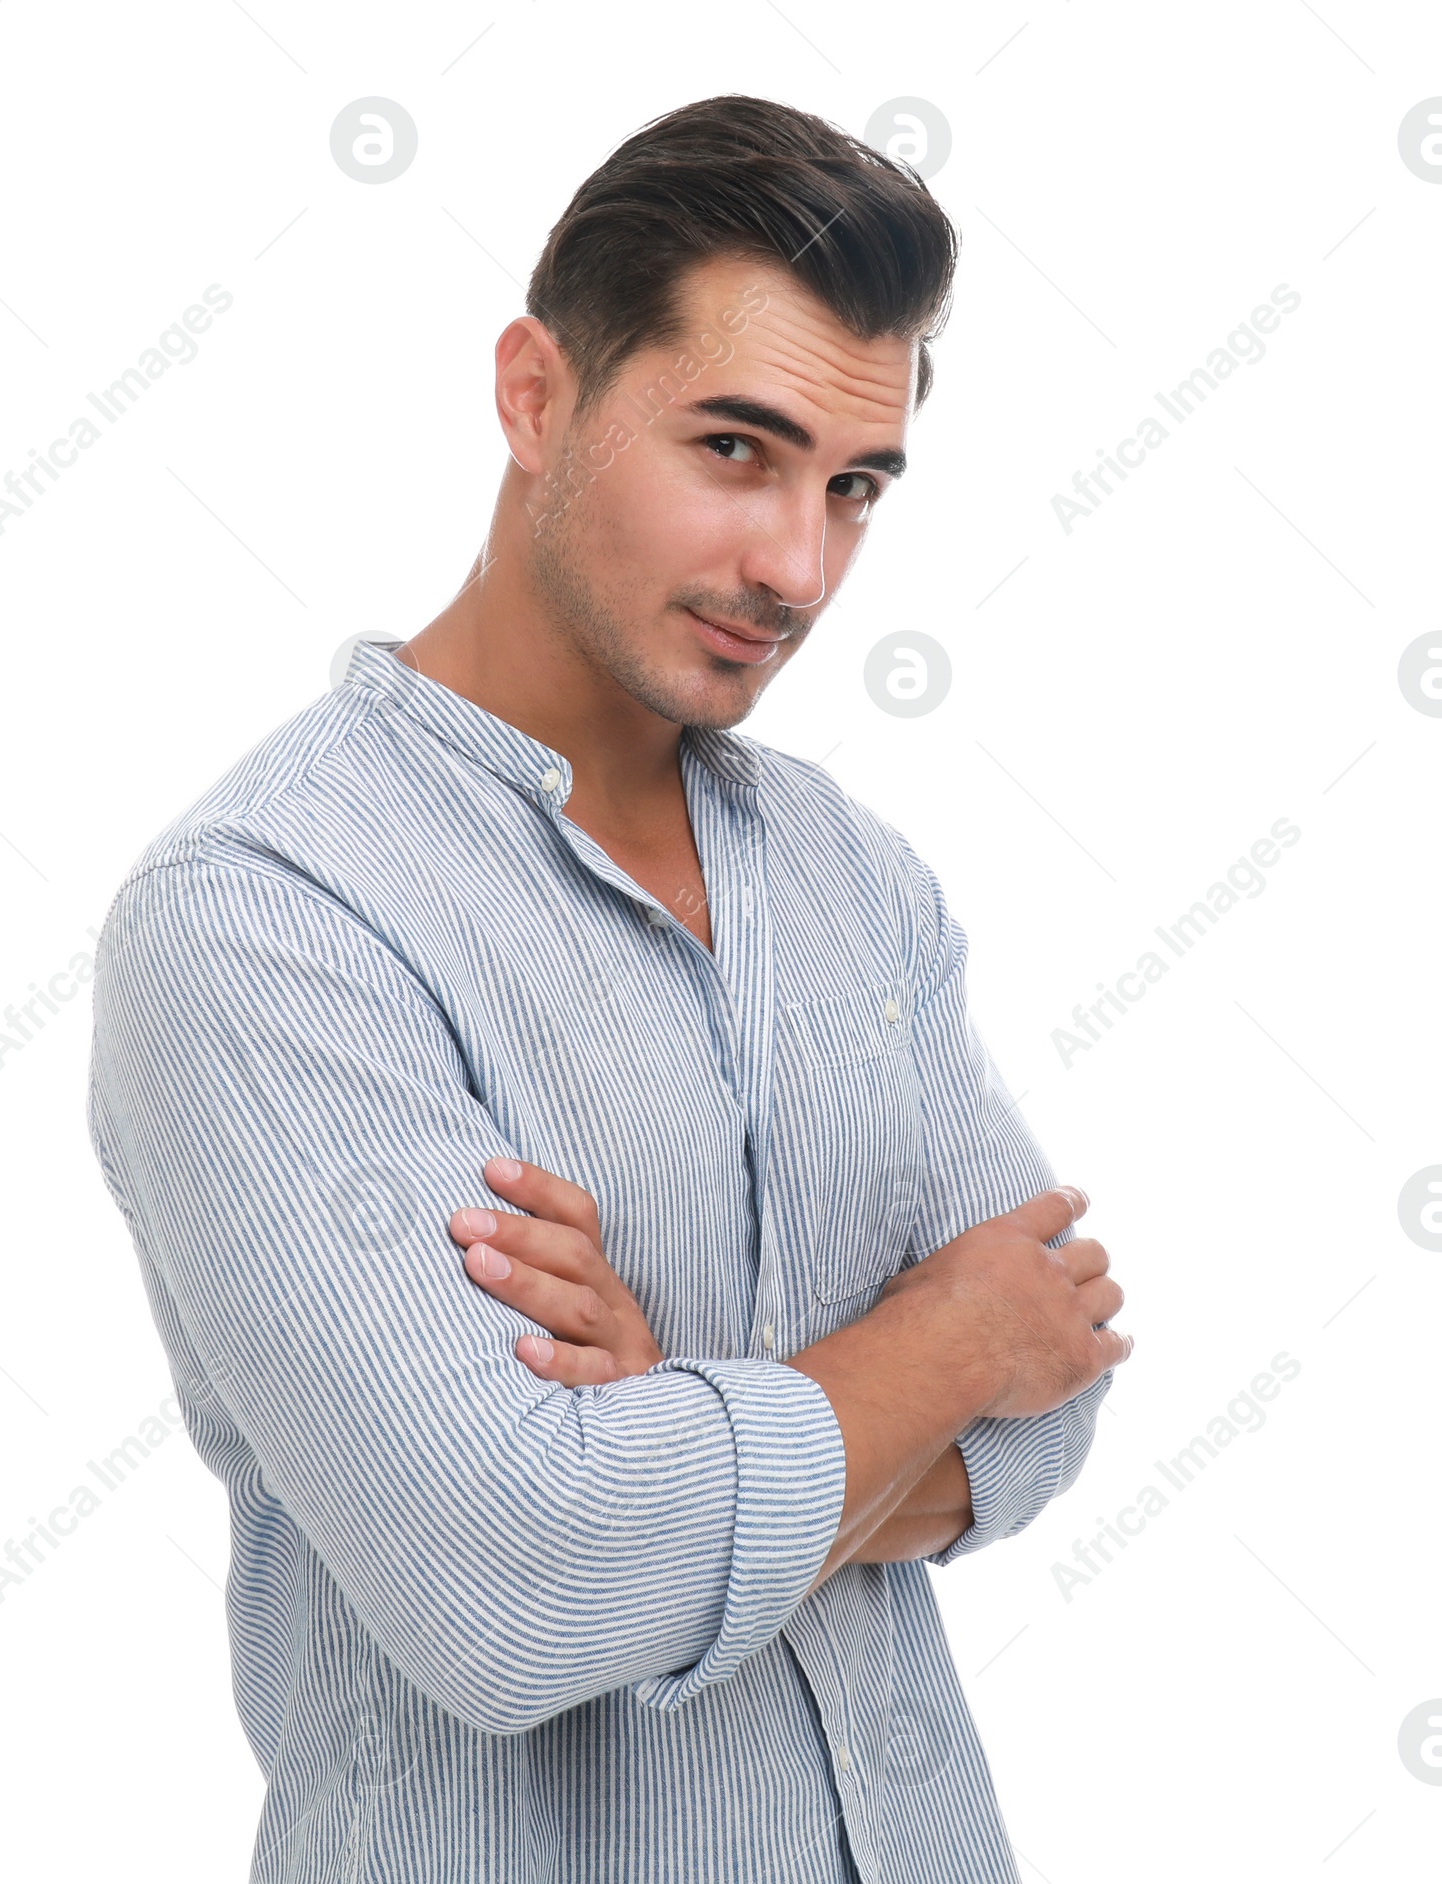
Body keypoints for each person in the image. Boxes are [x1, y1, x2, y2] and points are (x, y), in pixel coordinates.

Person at [87, 92, 1131, 1883]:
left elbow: (1061, 1397)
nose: (798, 568)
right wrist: (936, 1343)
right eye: (737, 448)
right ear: (535, 394)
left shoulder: (852, 872)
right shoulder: (268, 915)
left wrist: (683, 1431)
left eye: (852, 488)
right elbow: (524, 1582)